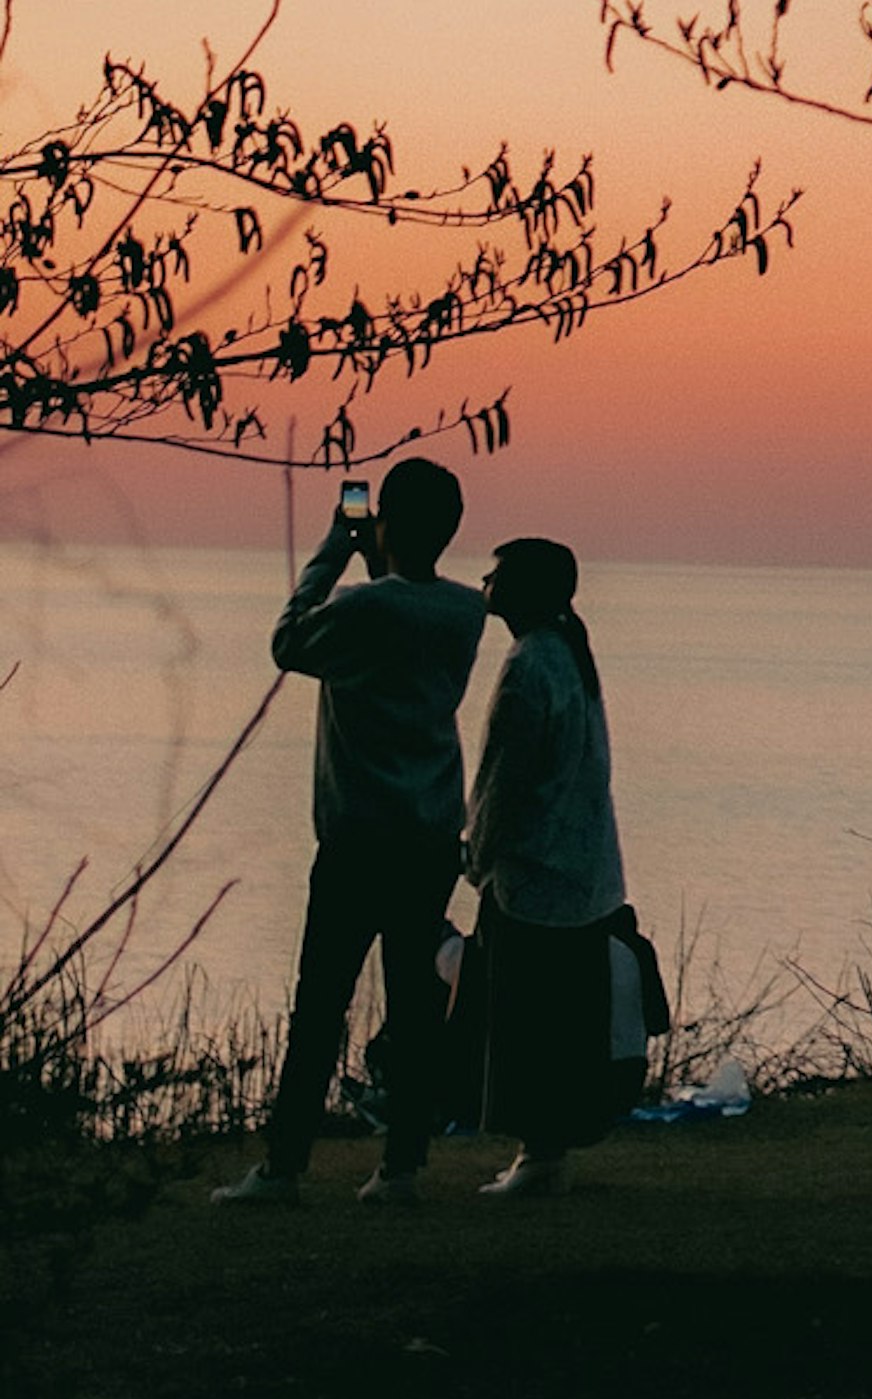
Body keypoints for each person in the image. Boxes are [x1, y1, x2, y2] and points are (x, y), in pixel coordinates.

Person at [217, 459, 486, 1206]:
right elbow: (399, 607)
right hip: (430, 837)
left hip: (358, 841)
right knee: (411, 1006)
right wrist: (381, 560)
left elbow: (289, 639)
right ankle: (402, 1166)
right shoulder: (465, 613)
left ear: (387, 521)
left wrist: (338, 545)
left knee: (319, 1006)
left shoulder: (364, 611)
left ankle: (283, 1168)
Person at [457, 538, 638, 1198]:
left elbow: (505, 780)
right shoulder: (566, 657)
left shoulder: (530, 664)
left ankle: (538, 1151)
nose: (485, 582)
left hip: (535, 870)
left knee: (528, 1021)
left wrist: (477, 855)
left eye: (497, 575)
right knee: (560, 1021)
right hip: (577, 869)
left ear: (526, 590)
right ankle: (545, 1151)